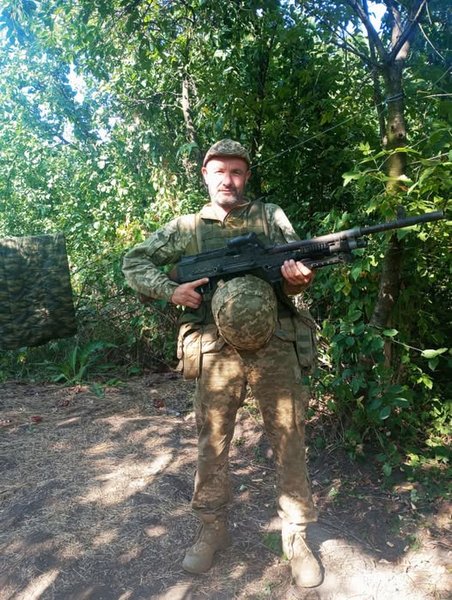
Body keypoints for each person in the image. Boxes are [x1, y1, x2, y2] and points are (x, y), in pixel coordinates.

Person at [122, 139, 323, 588]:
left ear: (246, 176)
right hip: (214, 350)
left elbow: (294, 275)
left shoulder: (270, 216)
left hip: (275, 345)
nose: (228, 180)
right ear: (206, 175)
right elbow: (134, 261)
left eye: (236, 172)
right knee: (212, 442)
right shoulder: (186, 228)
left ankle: (296, 537)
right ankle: (212, 527)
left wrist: (298, 280)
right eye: (220, 171)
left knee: (289, 438)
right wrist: (171, 290)